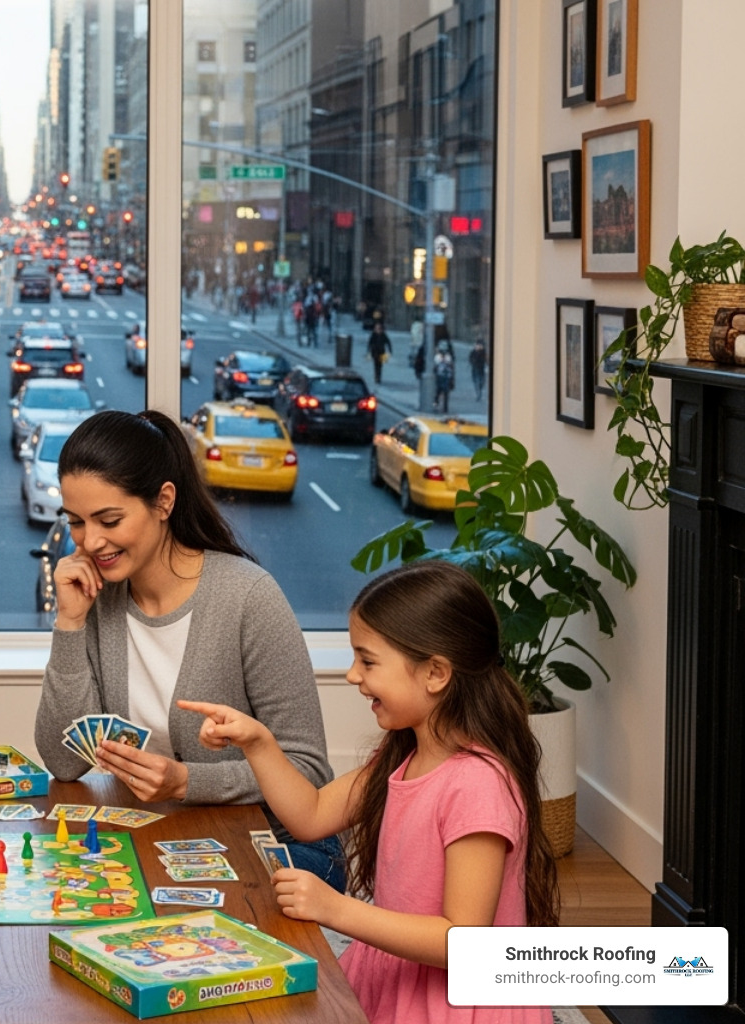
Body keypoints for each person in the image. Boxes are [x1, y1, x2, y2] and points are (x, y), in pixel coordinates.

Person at [181, 561, 558, 1024]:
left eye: (368, 660)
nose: (353, 675)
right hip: (398, 972)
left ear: (435, 673)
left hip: (456, 1005)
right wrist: (257, 742)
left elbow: (463, 941)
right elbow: (312, 815)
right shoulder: (402, 756)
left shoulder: (477, 785)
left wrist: (336, 908)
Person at [33, 409, 344, 890]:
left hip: (279, 843)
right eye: (76, 522)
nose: (91, 542)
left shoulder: (249, 597)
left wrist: (187, 783)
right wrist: (69, 622)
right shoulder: (96, 597)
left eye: (109, 519)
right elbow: (65, 760)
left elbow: (308, 770)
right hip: (169, 839)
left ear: (163, 501)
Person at [366, 319, 392, 385]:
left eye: (379, 328)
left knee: (380, 366)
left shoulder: (383, 335)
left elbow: (388, 342)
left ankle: (378, 377)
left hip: (382, 352)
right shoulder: (373, 335)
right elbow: (370, 342)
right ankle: (376, 377)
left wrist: (390, 350)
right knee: (375, 365)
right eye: (377, 328)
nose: (378, 330)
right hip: (375, 352)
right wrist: (369, 350)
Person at [434, 345, 456, 414]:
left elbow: (451, 369)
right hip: (441, 377)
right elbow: (436, 367)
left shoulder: (448, 358)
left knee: (445, 392)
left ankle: (445, 408)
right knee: (439, 391)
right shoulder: (437, 357)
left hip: (446, 377)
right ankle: (437, 403)